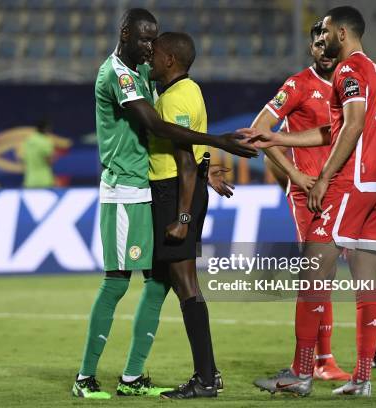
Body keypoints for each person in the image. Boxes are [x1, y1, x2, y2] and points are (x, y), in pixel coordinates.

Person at [72, 8, 257, 399]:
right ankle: (85, 377)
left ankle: (133, 377)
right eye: (142, 40)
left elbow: (180, 152)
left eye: (152, 43)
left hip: (152, 190)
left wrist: (206, 169)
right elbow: (157, 128)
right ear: (124, 33)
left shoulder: (145, 74)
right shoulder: (119, 75)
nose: (148, 48)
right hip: (125, 189)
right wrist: (218, 143)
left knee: (158, 283)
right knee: (116, 281)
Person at [244, 6, 376, 397]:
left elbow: (348, 128)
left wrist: (325, 179)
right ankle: (362, 378)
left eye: (328, 31)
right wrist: (279, 139)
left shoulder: (348, 72)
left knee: (312, 278)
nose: (322, 38)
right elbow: (342, 128)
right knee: (367, 283)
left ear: (344, 33)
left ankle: (302, 374)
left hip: (350, 185)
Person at [251, 21, 349, 382]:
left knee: (328, 276)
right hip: (309, 195)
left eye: (328, 43)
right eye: (317, 44)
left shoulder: (348, 86)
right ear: (311, 48)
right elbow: (260, 129)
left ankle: (323, 359)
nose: (323, 49)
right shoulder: (297, 85)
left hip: (341, 192)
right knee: (315, 275)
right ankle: (312, 362)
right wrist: (295, 176)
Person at [146, 32, 233, 399]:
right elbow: (199, 142)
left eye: (155, 55)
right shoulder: (187, 91)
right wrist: (209, 168)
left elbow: (184, 160)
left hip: (175, 193)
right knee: (177, 282)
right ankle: (209, 372)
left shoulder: (177, 97)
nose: (150, 59)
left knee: (186, 285)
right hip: (180, 191)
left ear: (170, 60)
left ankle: (206, 379)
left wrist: (182, 218)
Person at [21, 121, 56, 189]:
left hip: (29, 181)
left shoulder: (28, 141)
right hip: (44, 180)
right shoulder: (45, 141)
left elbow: (23, 159)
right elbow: (49, 161)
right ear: (46, 129)